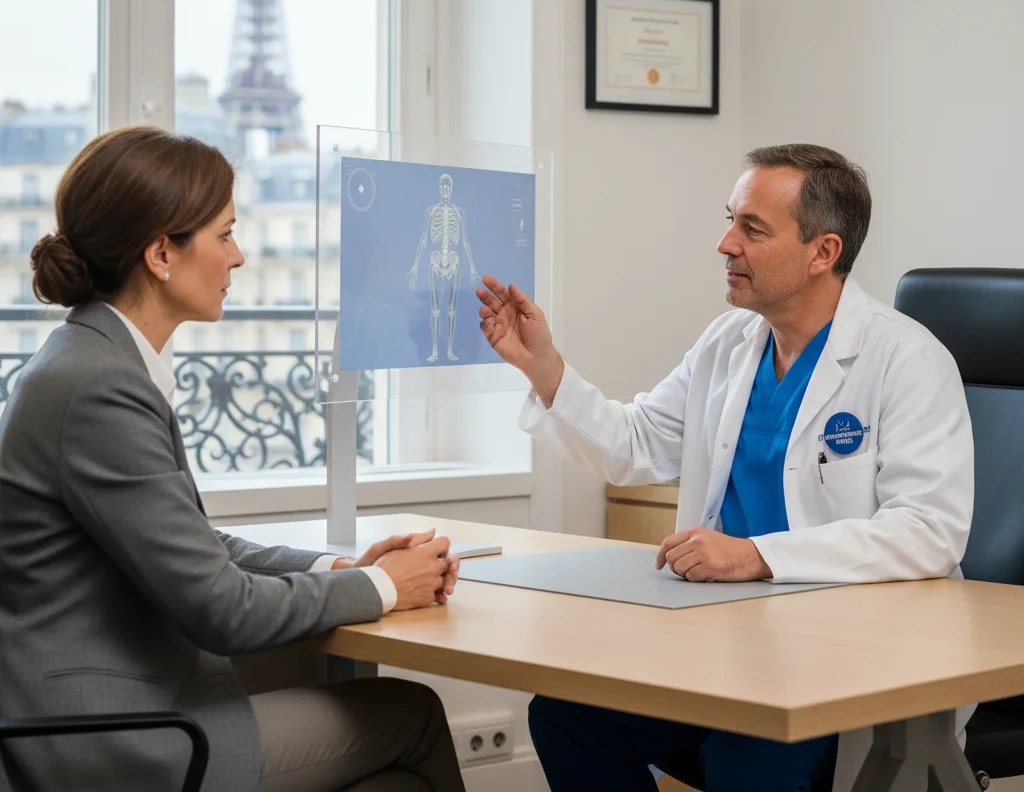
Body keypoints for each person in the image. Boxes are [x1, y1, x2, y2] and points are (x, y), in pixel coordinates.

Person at [476, 144, 974, 792]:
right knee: (567, 716)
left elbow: (927, 531)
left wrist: (756, 555)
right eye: (730, 220)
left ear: (823, 252)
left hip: (840, 662)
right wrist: (542, 367)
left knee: (746, 760)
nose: (724, 243)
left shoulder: (907, 360)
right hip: (724, 649)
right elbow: (637, 443)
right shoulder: (729, 342)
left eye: (751, 229)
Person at [0, 126, 466, 792]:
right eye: (224, 235)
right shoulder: (100, 387)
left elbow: (193, 545)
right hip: (113, 743)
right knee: (412, 716)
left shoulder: (88, 361)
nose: (240, 256)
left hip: (117, 712)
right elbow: (223, 608)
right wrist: (388, 587)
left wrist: (340, 567)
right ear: (162, 253)